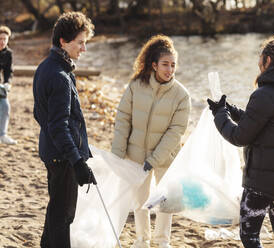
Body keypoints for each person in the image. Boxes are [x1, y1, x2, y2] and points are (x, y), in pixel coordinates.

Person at [207, 32, 274, 248]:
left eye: (260, 59)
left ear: (268, 60)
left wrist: (219, 116)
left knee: (250, 236)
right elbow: (263, 126)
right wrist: (230, 110)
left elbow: (239, 136)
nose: (258, 64)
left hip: (262, 183)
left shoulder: (264, 94)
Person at [111, 34, 191, 248]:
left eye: (173, 65)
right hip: (136, 154)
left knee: (166, 201)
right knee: (140, 199)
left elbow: (176, 132)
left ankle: (163, 241)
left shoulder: (181, 95)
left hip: (165, 157)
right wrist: (118, 153)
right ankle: (141, 240)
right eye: (165, 64)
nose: (170, 70)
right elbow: (123, 117)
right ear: (154, 65)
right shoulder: (136, 85)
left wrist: (154, 159)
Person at [33, 12, 96, 248]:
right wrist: (77, 161)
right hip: (62, 156)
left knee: (56, 209)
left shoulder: (46, 67)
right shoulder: (60, 76)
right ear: (63, 41)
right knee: (64, 216)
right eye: (80, 42)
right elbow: (58, 126)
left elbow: (40, 115)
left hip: (53, 152)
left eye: (85, 43)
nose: (84, 49)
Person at [0, 25, 17, 145]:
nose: (2, 42)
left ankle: (3, 135)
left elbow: (8, 71)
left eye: (4, 39)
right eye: (0, 39)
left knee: (5, 106)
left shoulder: (8, 54)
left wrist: (7, 83)